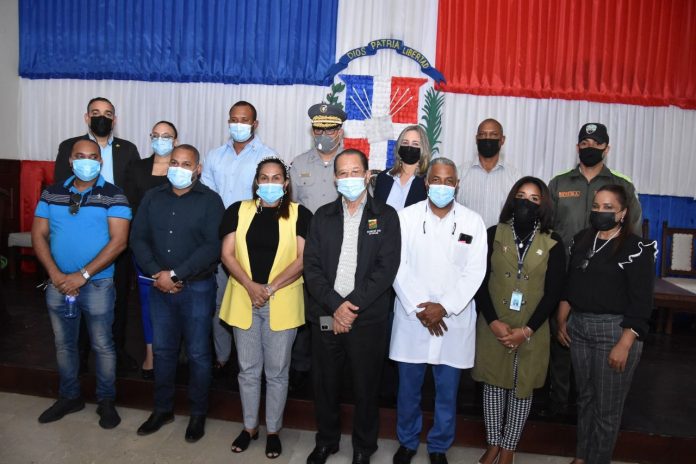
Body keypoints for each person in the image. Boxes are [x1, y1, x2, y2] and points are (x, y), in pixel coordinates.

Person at [303, 149, 401, 464]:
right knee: (325, 384)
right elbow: (311, 268)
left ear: (368, 175)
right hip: (327, 315)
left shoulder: (386, 216)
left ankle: (363, 446)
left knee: (365, 387)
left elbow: (386, 269)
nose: (349, 178)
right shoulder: (322, 216)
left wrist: (350, 307)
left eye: (355, 172)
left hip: (366, 318)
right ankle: (326, 441)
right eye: (343, 173)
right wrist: (336, 306)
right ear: (335, 179)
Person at [390, 157, 487, 464]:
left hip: (452, 320)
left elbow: (475, 272)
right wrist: (422, 307)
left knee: (447, 393)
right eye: (436, 180)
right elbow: (397, 266)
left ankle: (438, 446)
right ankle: (407, 442)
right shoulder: (405, 218)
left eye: (448, 181)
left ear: (457, 185)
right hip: (413, 319)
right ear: (426, 183)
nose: (442, 186)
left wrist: (444, 307)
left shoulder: (473, 222)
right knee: (408, 390)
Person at [32, 139, 131, 429]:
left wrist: (82, 275)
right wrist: (54, 274)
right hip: (57, 283)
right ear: (71, 161)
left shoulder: (114, 195)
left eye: (92, 157)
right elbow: (38, 235)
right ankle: (69, 397)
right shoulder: (52, 192)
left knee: (102, 345)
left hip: (98, 284)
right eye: (80, 156)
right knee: (64, 345)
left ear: (100, 162)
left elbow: (119, 242)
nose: (86, 161)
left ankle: (106, 401)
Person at [545, 122, 643, 417]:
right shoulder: (559, 183)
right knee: (561, 340)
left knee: (597, 358)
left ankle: (587, 408)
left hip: (605, 282)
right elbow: (546, 228)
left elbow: (634, 236)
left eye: (596, 144)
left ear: (606, 148)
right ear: (578, 147)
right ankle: (558, 404)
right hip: (564, 276)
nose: (590, 148)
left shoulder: (621, 185)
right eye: (584, 143)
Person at [218, 157, 312, 459]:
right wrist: (250, 286)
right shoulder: (237, 210)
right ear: (256, 181)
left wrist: (269, 289)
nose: (270, 183)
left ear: (286, 183)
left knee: (277, 372)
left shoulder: (299, 214)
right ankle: (249, 427)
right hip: (244, 299)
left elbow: (302, 259)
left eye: (276, 178)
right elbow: (227, 254)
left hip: (281, 301)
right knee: (247, 371)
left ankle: (273, 430)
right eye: (264, 178)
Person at [130, 144, 224, 443]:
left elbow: (212, 246)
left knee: (198, 353)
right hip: (159, 287)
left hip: (197, 288)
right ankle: (162, 409)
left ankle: (198, 414)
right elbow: (138, 238)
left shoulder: (211, 201)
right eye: (174, 162)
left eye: (186, 164)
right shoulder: (152, 197)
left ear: (198, 169)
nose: (179, 168)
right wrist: (158, 273)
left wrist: (175, 274)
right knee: (162, 351)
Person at [558, 185, 655, 464]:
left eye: (608, 207)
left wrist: (625, 343)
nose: (600, 212)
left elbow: (642, 302)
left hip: (615, 332)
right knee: (585, 399)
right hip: (579, 327)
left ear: (623, 213)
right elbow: (570, 284)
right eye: (596, 206)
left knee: (607, 408)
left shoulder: (636, 248)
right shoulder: (581, 240)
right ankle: (581, 456)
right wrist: (562, 319)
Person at [472, 177, 565, 464]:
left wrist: (526, 330)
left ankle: (509, 447)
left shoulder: (553, 241)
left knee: (521, 386)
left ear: (543, 205)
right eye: (521, 196)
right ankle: (493, 443)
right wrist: (493, 322)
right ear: (512, 199)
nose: (526, 202)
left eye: (534, 199)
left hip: (531, 328)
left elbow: (554, 292)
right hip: (494, 324)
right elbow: (478, 281)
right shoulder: (493, 233)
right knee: (493, 383)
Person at [54, 97, 141, 374]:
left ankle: (116, 349)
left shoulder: (128, 149)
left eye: (107, 113)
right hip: (82, 233)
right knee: (78, 294)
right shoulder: (69, 147)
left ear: (115, 119)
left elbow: (134, 193)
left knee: (118, 296)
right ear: (86, 117)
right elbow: (60, 190)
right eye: (95, 112)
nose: (101, 117)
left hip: (117, 235)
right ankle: (80, 354)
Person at [201, 100, 277, 378]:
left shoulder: (268, 156)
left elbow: (273, 199)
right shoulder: (214, 156)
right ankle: (223, 357)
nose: (238, 124)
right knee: (221, 302)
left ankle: (252, 359)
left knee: (252, 300)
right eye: (234, 119)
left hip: (254, 243)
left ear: (255, 124)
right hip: (220, 240)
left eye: (244, 120)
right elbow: (207, 198)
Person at [287, 102, 347, 392]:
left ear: (340, 131)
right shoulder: (298, 164)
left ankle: (334, 372)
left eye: (330, 129)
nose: (324, 134)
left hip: (342, 254)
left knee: (335, 310)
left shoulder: (351, 163)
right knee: (303, 311)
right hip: (305, 253)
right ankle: (300, 368)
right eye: (319, 129)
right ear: (312, 131)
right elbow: (291, 209)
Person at [125, 120, 179, 379]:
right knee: (148, 302)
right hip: (146, 247)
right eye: (156, 135)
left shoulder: (182, 168)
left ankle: (173, 354)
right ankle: (150, 354)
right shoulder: (137, 168)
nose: (161, 140)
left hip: (177, 247)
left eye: (166, 136)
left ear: (175, 141)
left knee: (176, 302)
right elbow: (129, 207)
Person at [457, 118, 521, 228]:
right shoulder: (460, 173)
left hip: (500, 238)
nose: (487, 138)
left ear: (502, 140)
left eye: (493, 135)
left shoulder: (515, 176)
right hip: (466, 236)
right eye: (482, 134)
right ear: (476, 139)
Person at [373, 125, 430, 210]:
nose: (409, 147)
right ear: (399, 146)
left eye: (415, 144)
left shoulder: (427, 182)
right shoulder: (383, 177)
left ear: (423, 149)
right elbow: (374, 212)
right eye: (405, 143)